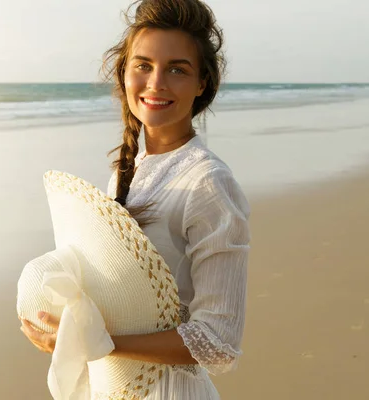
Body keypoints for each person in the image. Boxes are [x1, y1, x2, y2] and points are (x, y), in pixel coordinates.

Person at [20, 0, 250, 398]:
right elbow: (117, 303)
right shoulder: (126, 172)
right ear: (123, 74)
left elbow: (218, 341)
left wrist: (97, 342)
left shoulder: (208, 183)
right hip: (116, 386)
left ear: (202, 84)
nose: (156, 82)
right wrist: (69, 331)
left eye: (177, 69)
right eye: (143, 65)